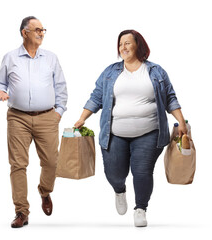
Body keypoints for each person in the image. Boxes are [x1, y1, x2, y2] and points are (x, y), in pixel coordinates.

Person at [74, 30, 187, 227]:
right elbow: (96, 96)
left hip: (150, 132)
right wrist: (82, 118)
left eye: (127, 43)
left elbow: (170, 98)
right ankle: (119, 190)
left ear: (138, 45)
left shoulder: (156, 71)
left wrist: (182, 122)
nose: (123, 48)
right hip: (114, 133)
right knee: (114, 174)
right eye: (120, 44)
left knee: (142, 172)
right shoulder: (110, 72)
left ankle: (140, 208)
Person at [0, 16, 68, 228]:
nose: (41, 33)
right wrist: (0, 91)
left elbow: (61, 86)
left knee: (52, 162)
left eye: (43, 30)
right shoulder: (10, 57)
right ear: (24, 33)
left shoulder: (51, 58)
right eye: (37, 30)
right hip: (18, 117)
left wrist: (59, 112)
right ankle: (21, 212)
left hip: (47, 117)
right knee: (18, 164)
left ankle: (44, 191)